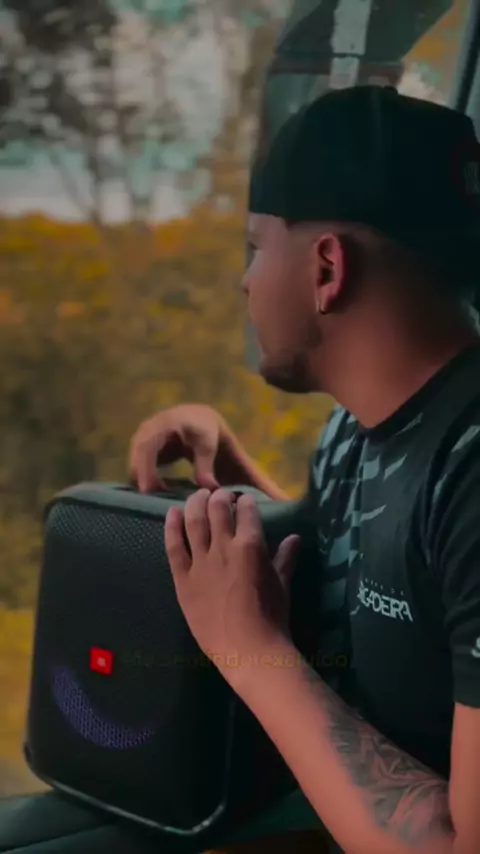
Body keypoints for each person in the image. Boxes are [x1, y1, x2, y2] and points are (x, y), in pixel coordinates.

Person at [129, 86, 480, 854]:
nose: (245, 281)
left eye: (256, 247)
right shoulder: (359, 428)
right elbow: (393, 574)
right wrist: (234, 474)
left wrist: (253, 654)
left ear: (327, 268)